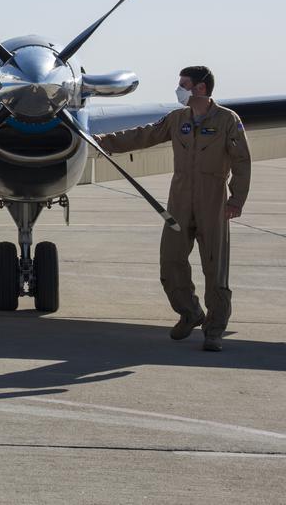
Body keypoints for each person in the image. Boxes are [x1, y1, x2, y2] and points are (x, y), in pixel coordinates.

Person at [94, 66, 251, 351]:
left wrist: (236, 199)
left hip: (212, 200)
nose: (179, 89)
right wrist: (104, 142)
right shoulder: (177, 119)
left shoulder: (228, 120)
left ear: (200, 88)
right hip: (179, 200)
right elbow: (146, 135)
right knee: (170, 261)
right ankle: (190, 312)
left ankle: (214, 331)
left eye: (184, 84)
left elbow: (241, 161)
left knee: (215, 268)